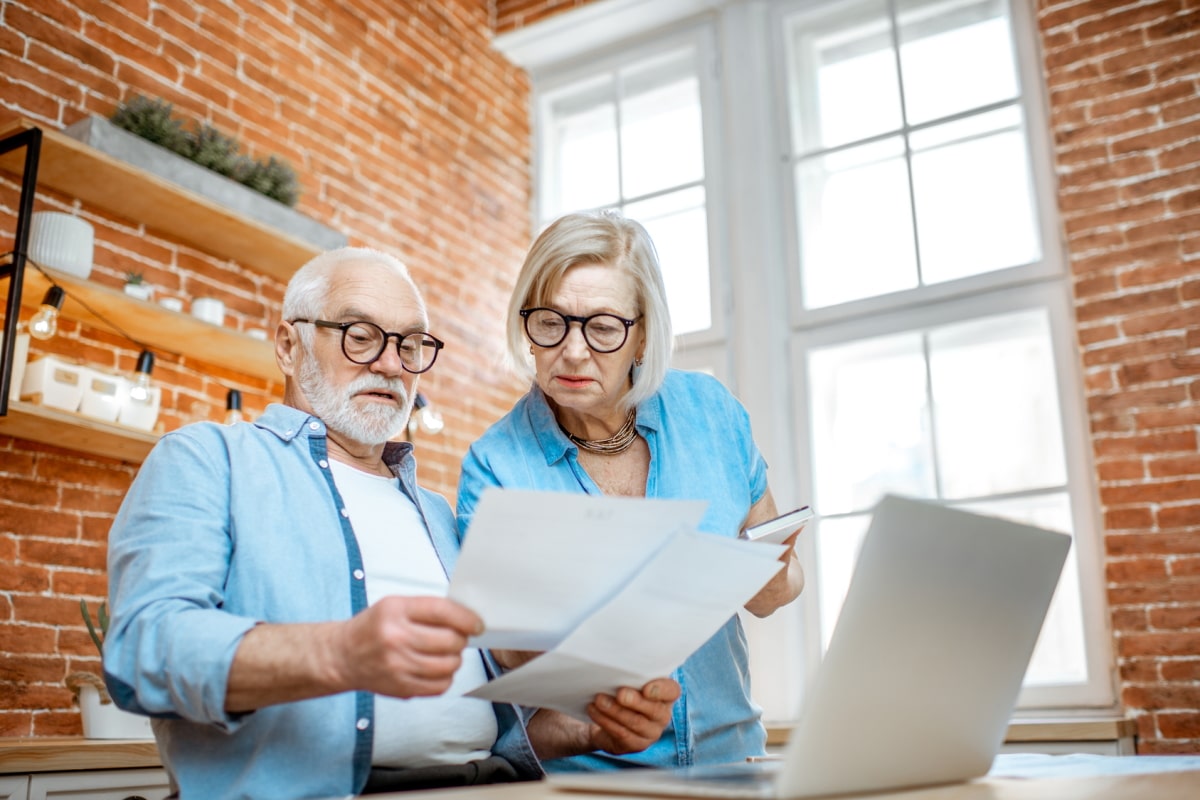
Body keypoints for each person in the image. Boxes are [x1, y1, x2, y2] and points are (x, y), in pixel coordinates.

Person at [103, 247, 680, 800]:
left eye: (411, 345)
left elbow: (477, 717)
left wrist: (585, 730)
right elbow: (143, 651)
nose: (390, 363)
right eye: (359, 337)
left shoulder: (437, 513)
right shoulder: (209, 459)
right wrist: (340, 652)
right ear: (287, 344)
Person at [457, 211, 805, 772]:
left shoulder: (711, 412)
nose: (571, 351)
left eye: (602, 328)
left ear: (642, 333)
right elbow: (506, 658)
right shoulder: (495, 465)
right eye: (550, 323)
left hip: (733, 761)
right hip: (595, 777)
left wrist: (772, 573)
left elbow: (778, 585)